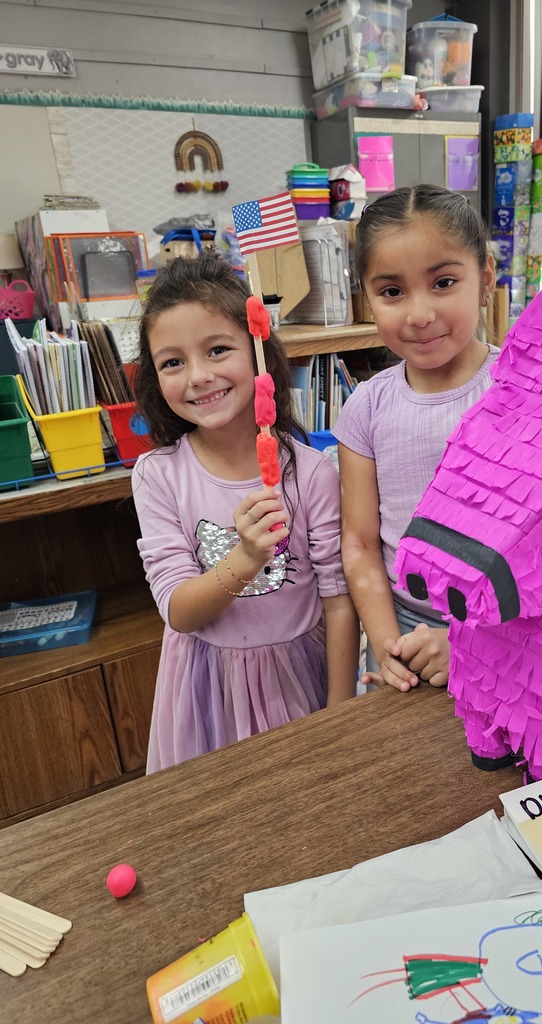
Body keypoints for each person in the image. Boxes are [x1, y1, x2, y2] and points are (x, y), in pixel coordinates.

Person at [131, 253, 359, 772]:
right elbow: (179, 610)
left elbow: (337, 599)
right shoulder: (157, 475)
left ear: (258, 351)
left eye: (217, 349)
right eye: (172, 362)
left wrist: (340, 716)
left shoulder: (311, 472)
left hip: (298, 672)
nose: (198, 376)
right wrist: (248, 555)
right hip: (207, 685)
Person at [334, 184, 497, 693]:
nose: (419, 313)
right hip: (402, 630)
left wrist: (473, 644)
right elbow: (360, 544)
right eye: (392, 292)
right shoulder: (366, 406)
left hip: (512, 630)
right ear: (368, 297)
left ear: (485, 279)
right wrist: (387, 648)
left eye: (443, 282)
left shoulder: (524, 390)